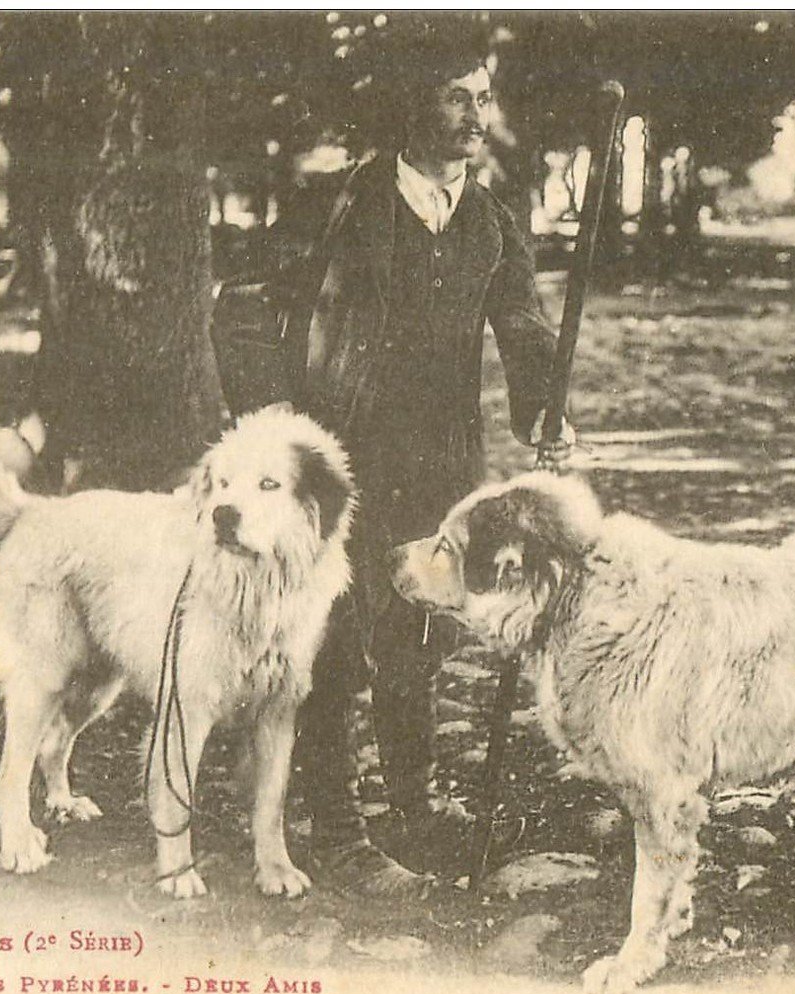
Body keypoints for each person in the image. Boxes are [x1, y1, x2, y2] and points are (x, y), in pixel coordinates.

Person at [282, 37, 573, 896]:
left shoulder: (485, 216)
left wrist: (541, 407)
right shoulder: (346, 204)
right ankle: (336, 832)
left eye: (479, 100)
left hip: (442, 459)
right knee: (333, 641)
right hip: (345, 463)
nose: (474, 117)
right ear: (409, 106)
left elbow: (520, 322)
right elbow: (259, 309)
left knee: (419, 634)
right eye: (455, 98)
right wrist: (277, 429)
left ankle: (411, 803)